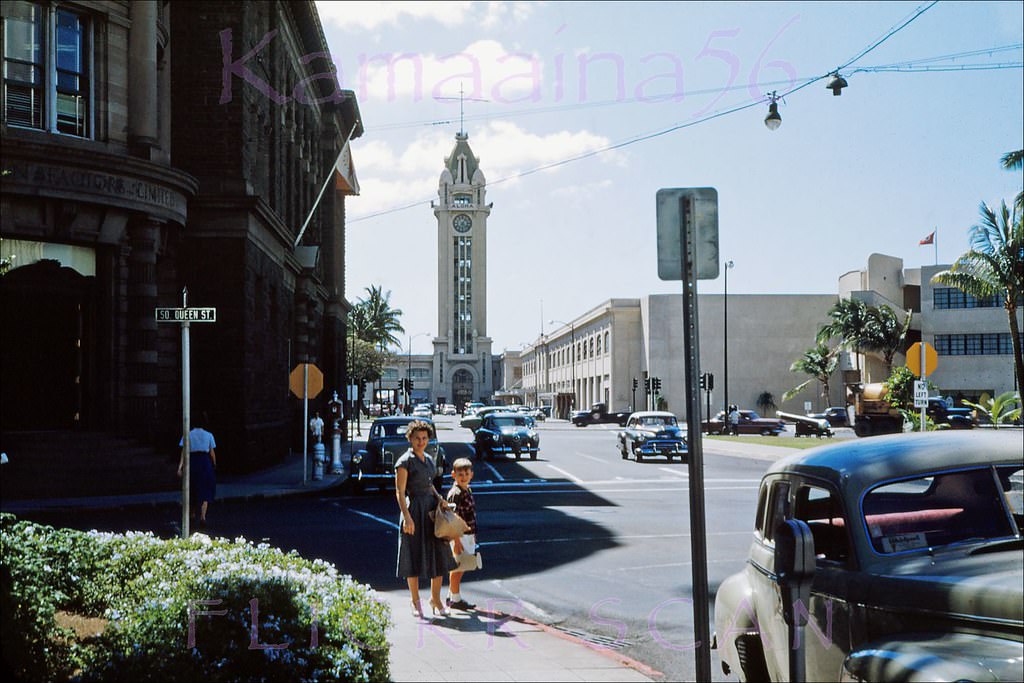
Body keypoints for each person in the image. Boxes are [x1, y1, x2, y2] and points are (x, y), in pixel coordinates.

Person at [395, 420, 457, 618]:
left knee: (438, 555)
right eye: (417, 438)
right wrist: (407, 517)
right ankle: (415, 602)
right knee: (413, 555)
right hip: (414, 509)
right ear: (410, 439)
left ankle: (435, 599)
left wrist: (440, 499)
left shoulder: (429, 459)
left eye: (424, 438)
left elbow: (430, 485)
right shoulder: (405, 461)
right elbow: (400, 491)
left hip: (431, 511)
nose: (421, 442)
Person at [446, 458, 478, 610]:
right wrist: (456, 541)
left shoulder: (467, 489)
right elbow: (451, 519)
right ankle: (455, 599)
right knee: (458, 567)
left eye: (466, 473)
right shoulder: (456, 494)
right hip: (460, 536)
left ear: (471, 474)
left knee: (462, 566)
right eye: (460, 474)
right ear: (453, 475)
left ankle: (451, 595)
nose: (463, 476)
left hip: (468, 534)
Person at [178, 412, 217, 527]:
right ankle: (203, 516)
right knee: (206, 489)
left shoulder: (188, 435)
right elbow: (212, 452)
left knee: (192, 488)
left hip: (192, 461)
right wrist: (214, 464)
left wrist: (180, 466)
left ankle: (192, 514)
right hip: (205, 462)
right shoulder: (209, 435)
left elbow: (184, 451)